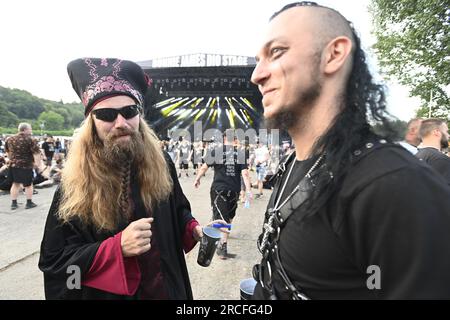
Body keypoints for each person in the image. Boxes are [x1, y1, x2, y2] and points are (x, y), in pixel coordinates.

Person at [250, 2, 450, 299]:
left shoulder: (392, 184)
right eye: (258, 59)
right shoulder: (293, 163)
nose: (257, 74)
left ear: (334, 54)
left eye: (276, 52)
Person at [38, 58, 224, 300]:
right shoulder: (75, 184)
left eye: (129, 111)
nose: (121, 123)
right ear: (91, 122)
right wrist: (115, 249)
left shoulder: (162, 163)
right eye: (106, 114)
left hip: (166, 290)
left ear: (139, 115)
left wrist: (192, 227)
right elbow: (57, 264)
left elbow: (177, 209)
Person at [194, 131, 252, 259]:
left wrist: (197, 178)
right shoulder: (240, 153)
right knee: (227, 217)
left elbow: (204, 167)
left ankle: (220, 238)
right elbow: (245, 174)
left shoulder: (216, 151)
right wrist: (248, 190)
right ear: (235, 139)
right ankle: (222, 244)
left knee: (223, 218)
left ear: (224, 138)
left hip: (218, 189)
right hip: (234, 191)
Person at [4, 123, 40, 210]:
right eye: (30, 129)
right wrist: (37, 164)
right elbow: (36, 153)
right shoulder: (30, 140)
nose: (31, 130)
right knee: (28, 184)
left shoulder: (10, 139)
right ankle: (29, 202)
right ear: (25, 130)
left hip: (13, 165)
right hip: (26, 165)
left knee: (15, 184)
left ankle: (14, 203)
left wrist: (12, 159)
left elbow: (8, 152)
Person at [416, 118, 450, 185]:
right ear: (436, 132)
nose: (448, 135)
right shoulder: (441, 159)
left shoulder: (416, 156)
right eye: (446, 131)